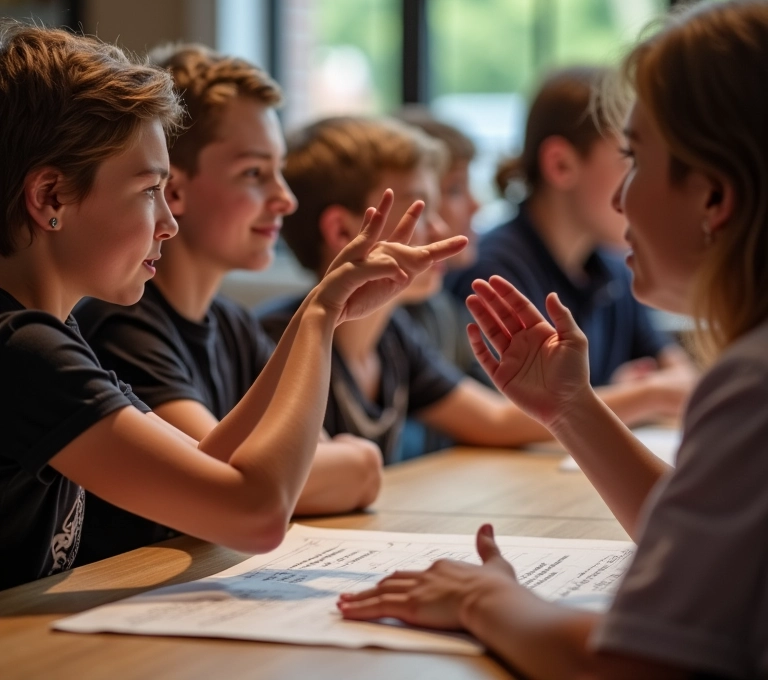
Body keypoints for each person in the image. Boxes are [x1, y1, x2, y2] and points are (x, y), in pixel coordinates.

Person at [338, 0, 768, 679]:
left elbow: (631, 664)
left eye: (638, 157)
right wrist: (572, 407)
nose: (623, 199)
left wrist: (486, 598)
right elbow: (708, 547)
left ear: (714, 195)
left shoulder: (752, 382)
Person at [0, 23, 466, 591]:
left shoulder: (55, 332)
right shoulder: (24, 350)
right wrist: (318, 323)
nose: (168, 223)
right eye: (149, 191)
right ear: (51, 197)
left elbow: (207, 462)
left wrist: (319, 310)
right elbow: (257, 514)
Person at [74, 45, 385, 565]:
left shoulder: (234, 323)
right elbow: (236, 487)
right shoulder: (121, 326)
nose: (285, 199)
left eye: (278, 170)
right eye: (253, 173)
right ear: (175, 189)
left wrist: (351, 462)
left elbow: (345, 468)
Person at [258, 115, 571, 464]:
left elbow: (496, 421)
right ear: (343, 231)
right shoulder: (276, 341)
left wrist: (623, 396)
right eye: (418, 211)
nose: (439, 229)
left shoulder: (394, 336)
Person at [447, 66, 696, 418]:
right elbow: (512, 414)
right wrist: (643, 395)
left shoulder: (614, 266)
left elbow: (679, 374)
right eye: (632, 160)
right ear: (561, 164)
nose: (651, 187)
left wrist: (620, 395)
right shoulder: (494, 273)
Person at [394, 106, 488, 386]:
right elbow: (493, 420)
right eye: (455, 189)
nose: (476, 204)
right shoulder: (391, 325)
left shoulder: (441, 309)